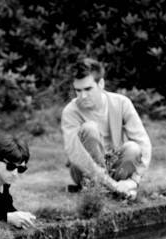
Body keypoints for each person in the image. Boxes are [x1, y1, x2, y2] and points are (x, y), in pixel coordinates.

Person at [61, 58, 152, 199]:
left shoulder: (122, 102)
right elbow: (77, 156)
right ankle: (107, 189)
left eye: (88, 89)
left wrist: (134, 180)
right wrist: (112, 184)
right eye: (78, 91)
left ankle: (116, 190)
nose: (83, 96)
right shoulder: (70, 112)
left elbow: (143, 143)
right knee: (90, 129)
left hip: (116, 166)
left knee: (133, 148)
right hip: (84, 171)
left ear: (101, 84)